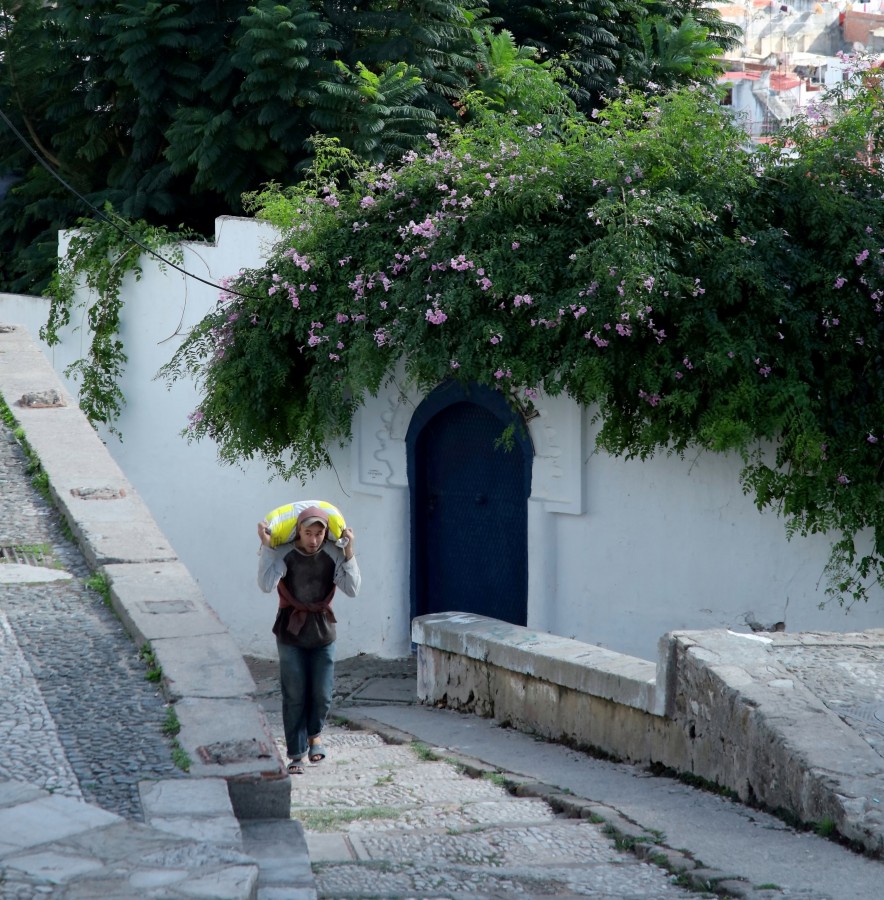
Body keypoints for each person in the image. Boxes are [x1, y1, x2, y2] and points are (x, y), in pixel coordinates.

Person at [256, 505, 360, 775]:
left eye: (319, 533)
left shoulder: (333, 553)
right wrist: (267, 548)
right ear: (298, 532)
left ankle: (316, 734)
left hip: (323, 631)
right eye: (307, 532)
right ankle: (296, 754)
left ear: (326, 534)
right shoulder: (283, 552)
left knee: (323, 694)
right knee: (294, 693)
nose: (313, 539)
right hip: (290, 631)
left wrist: (349, 552)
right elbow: (266, 585)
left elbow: (352, 589)